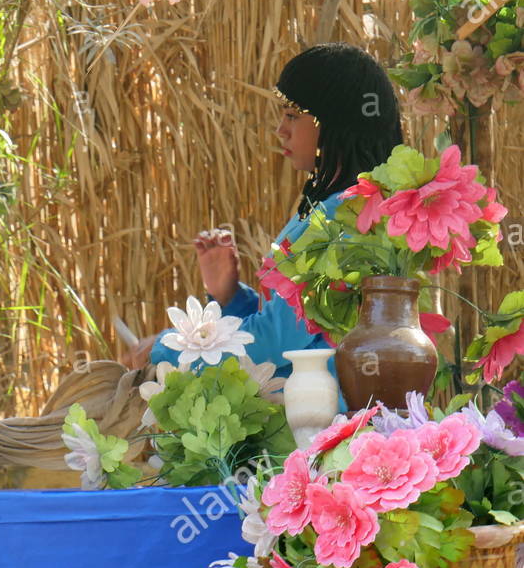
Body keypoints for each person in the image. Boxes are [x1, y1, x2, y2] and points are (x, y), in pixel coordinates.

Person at [127, 42, 404, 376]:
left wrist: (169, 350)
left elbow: (275, 343)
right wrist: (230, 297)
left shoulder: (344, 220)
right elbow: (293, 330)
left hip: (326, 409)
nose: (280, 130)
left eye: (292, 116)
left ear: (334, 123)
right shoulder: (341, 209)